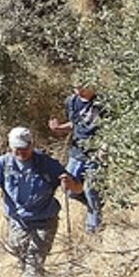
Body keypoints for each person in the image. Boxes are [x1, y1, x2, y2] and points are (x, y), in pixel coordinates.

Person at [0, 125, 82, 277]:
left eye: (25, 148)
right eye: (17, 148)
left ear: (32, 145)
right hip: (17, 222)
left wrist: (69, 184)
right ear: (10, 147)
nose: (21, 152)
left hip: (45, 219)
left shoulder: (47, 164)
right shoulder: (2, 164)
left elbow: (77, 189)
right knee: (21, 256)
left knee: (34, 261)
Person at [49, 82, 105, 233]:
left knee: (91, 189)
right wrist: (60, 128)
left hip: (95, 154)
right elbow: (75, 124)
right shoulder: (71, 102)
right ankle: (94, 205)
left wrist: (104, 148)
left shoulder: (102, 104)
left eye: (82, 87)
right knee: (69, 188)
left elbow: (112, 128)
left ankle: (94, 228)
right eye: (75, 88)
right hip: (77, 153)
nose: (78, 91)